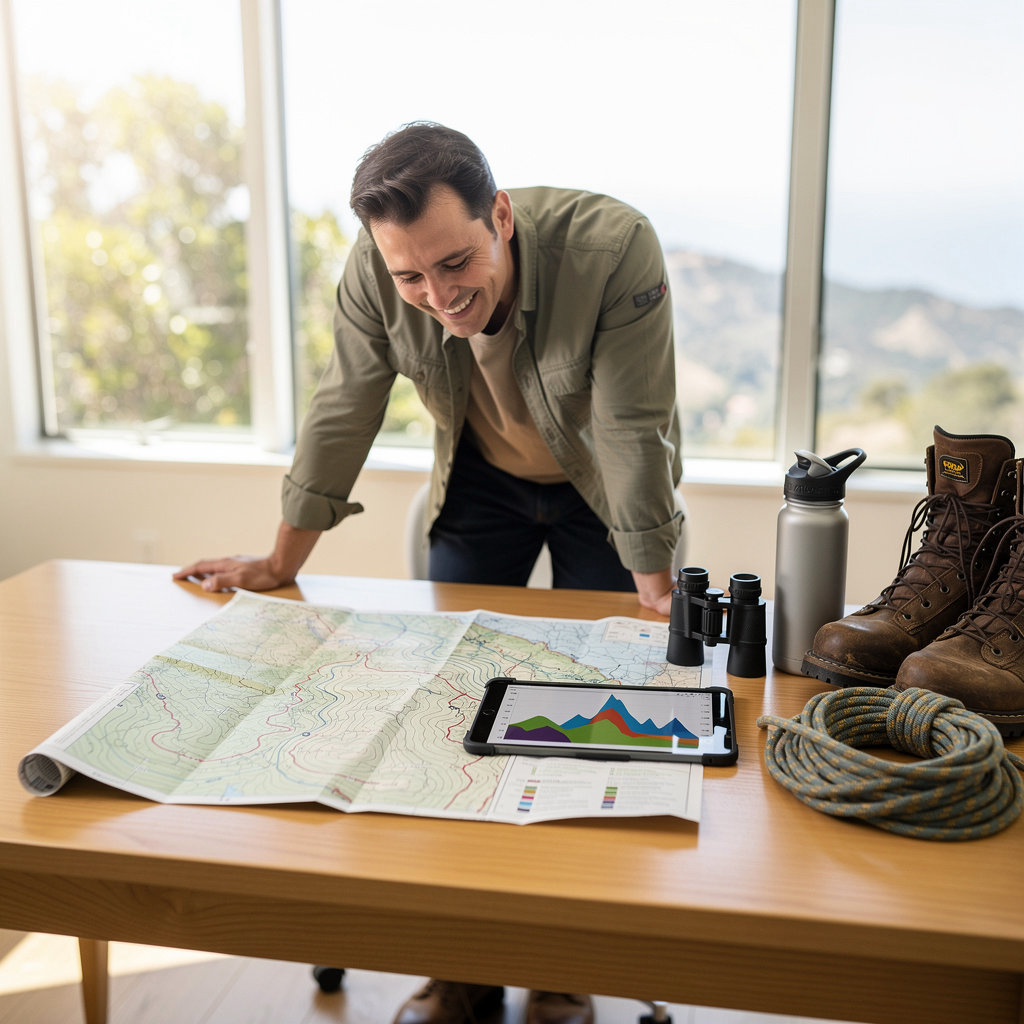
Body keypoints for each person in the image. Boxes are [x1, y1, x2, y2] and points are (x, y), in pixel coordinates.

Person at [175, 122, 683, 1024]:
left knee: (593, 720)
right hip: (482, 481)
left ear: (499, 216)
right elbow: (345, 406)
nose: (437, 295)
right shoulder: (378, 269)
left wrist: (652, 582)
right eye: (412, 277)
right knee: (450, 712)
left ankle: (563, 961)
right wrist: (276, 561)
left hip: (596, 487)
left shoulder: (613, 248)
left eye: (455, 264)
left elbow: (630, 426)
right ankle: (464, 964)